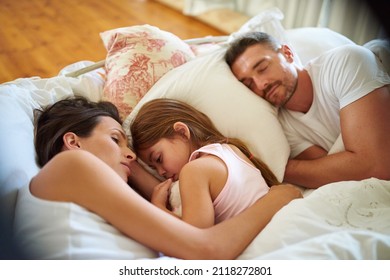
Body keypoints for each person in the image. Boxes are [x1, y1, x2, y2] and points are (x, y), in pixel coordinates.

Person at [14, 96, 301, 260]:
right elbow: (207, 249)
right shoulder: (73, 163)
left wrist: (127, 159)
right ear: (74, 142)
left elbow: (168, 198)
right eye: (116, 139)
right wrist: (279, 196)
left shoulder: (80, 180)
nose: (131, 156)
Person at [225, 31, 390, 189]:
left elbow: (375, 164)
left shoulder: (345, 62)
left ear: (287, 53)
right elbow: (338, 174)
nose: (261, 84)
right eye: (249, 84)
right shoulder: (282, 128)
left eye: (262, 68)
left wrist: (280, 168)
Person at [130, 98, 287, 228]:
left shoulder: (193, 171)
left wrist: (158, 207)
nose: (161, 172)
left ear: (182, 133)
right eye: (153, 168)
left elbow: (194, 238)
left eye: (158, 159)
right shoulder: (231, 148)